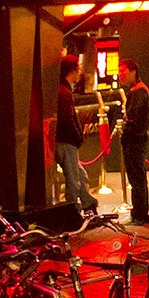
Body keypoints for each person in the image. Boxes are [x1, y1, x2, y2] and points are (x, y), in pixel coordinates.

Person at [54, 54, 97, 214]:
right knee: (74, 178)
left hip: (65, 140)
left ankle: (87, 203)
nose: (80, 73)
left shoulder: (62, 90)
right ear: (72, 70)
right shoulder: (64, 92)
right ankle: (72, 210)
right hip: (67, 141)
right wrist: (78, 136)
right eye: (78, 69)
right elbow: (67, 118)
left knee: (79, 174)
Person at [116, 60, 149, 226]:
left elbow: (133, 120)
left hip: (135, 142)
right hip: (139, 140)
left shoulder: (137, 92)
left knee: (137, 179)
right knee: (138, 179)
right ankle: (139, 213)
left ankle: (140, 215)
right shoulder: (140, 89)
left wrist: (125, 135)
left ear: (133, 71)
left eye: (123, 71)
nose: (120, 74)